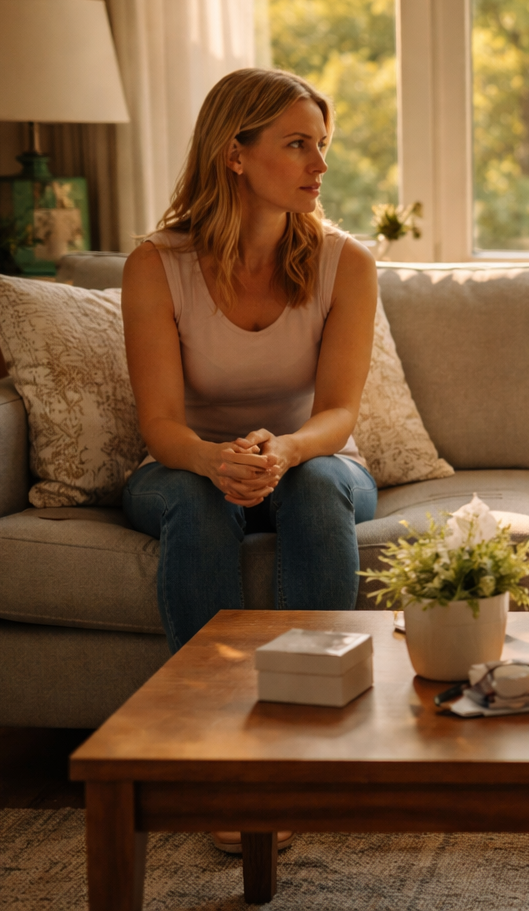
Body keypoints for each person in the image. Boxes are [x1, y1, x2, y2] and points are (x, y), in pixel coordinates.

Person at [121, 67, 378, 852]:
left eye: (322, 146)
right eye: (297, 144)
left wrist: (284, 448)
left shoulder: (346, 262)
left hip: (314, 461)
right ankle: (215, 761)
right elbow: (161, 423)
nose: (319, 165)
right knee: (197, 506)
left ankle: (297, 757)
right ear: (235, 153)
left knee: (313, 489)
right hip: (186, 466)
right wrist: (212, 461)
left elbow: (337, 413)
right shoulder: (155, 265)